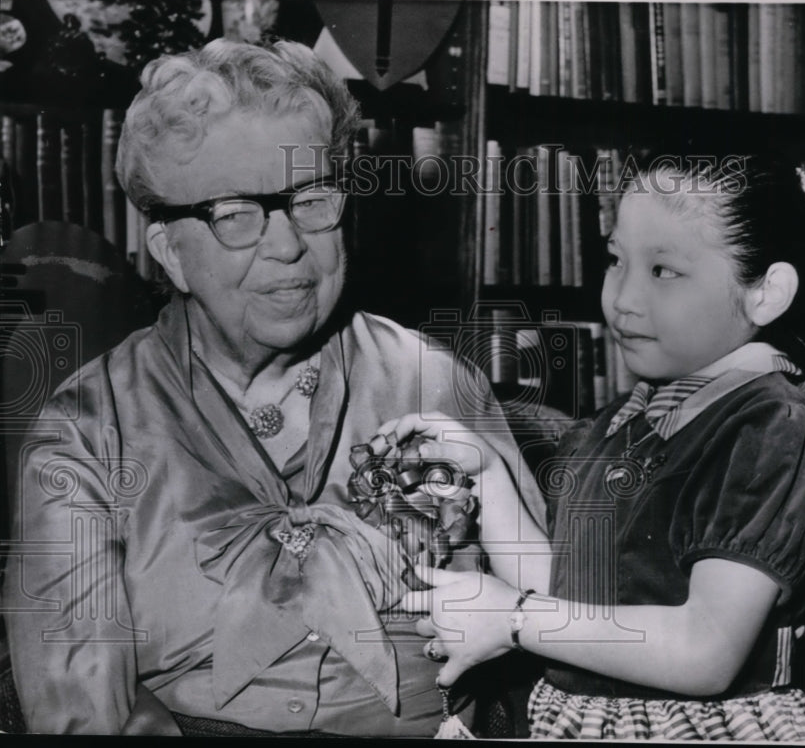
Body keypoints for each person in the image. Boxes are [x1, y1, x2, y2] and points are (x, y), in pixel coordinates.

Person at [1, 38, 544, 736]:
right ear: (169, 250)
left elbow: (561, 634)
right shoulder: (86, 429)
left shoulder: (435, 382)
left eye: (310, 198)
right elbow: (81, 712)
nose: (287, 244)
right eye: (235, 213)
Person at [379, 156, 805, 741]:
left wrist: (513, 619)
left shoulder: (768, 427)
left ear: (766, 294)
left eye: (663, 271)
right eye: (615, 260)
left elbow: (706, 651)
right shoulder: (623, 422)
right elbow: (568, 592)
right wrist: (489, 478)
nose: (623, 297)